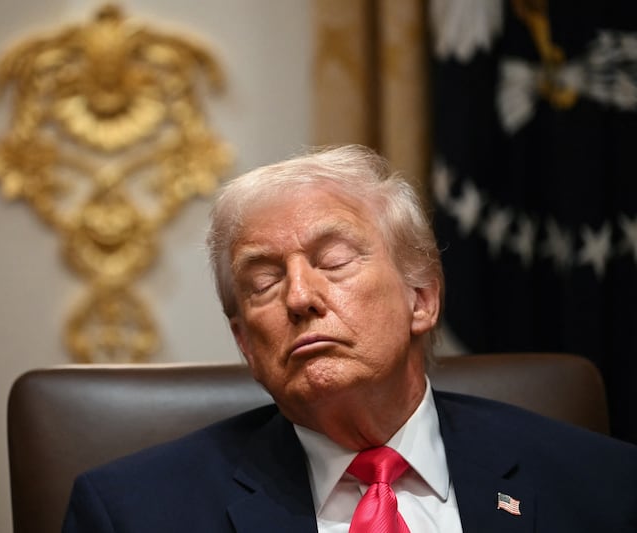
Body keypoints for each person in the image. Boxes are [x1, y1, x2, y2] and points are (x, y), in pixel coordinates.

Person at [62, 145, 637, 532]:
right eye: (263, 281)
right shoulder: (132, 514)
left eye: (333, 261)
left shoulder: (603, 484)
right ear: (244, 342)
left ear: (422, 299)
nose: (298, 297)